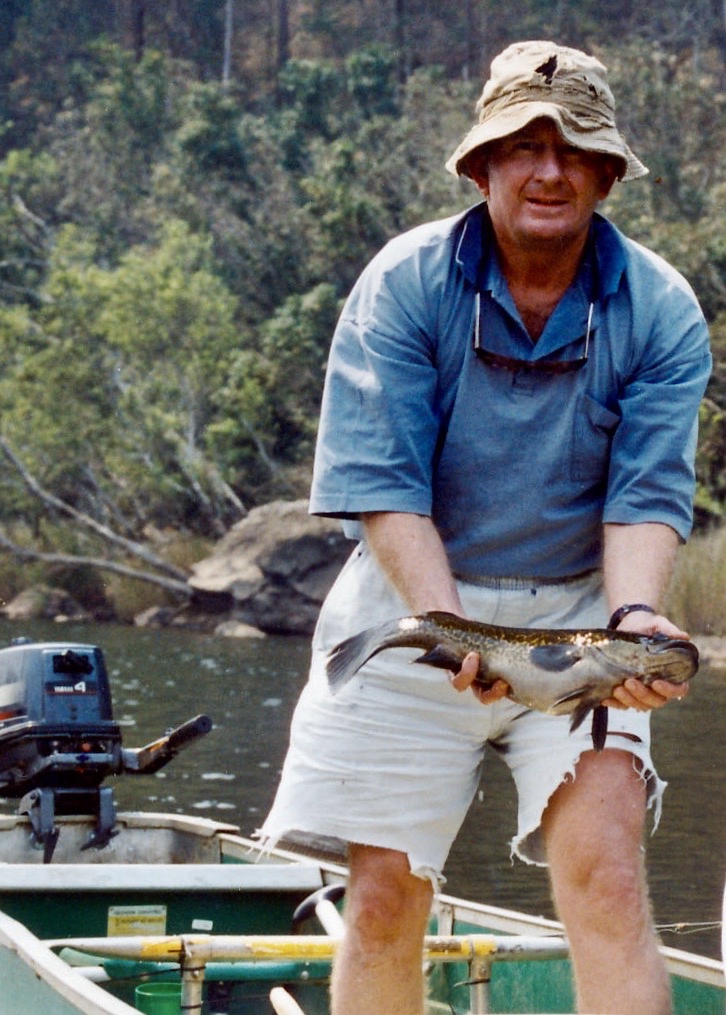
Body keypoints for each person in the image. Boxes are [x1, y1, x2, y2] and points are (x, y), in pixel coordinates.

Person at [259, 40, 711, 1015]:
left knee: (607, 878)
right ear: (482, 165)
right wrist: (449, 626)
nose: (548, 168)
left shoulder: (661, 309)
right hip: (414, 606)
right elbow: (386, 486)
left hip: (584, 613)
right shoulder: (406, 283)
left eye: (574, 149)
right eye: (523, 144)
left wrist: (637, 618)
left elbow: (645, 494)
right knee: (382, 901)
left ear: (605, 174)